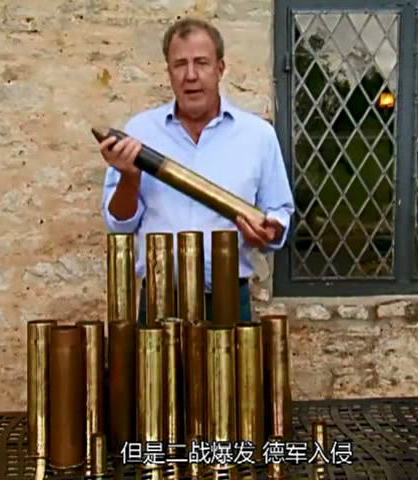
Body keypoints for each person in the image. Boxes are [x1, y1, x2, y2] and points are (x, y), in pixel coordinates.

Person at [98, 17, 294, 325]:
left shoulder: (258, 135)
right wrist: (130, 177)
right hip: (159, 300)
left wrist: (269, 232)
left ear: (220, 69)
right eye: (180, 64)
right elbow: (119, 225)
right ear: (169, 72)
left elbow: (279, 212)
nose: (191, 75)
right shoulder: (139, 133)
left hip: (229, 299)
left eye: (201, 63)